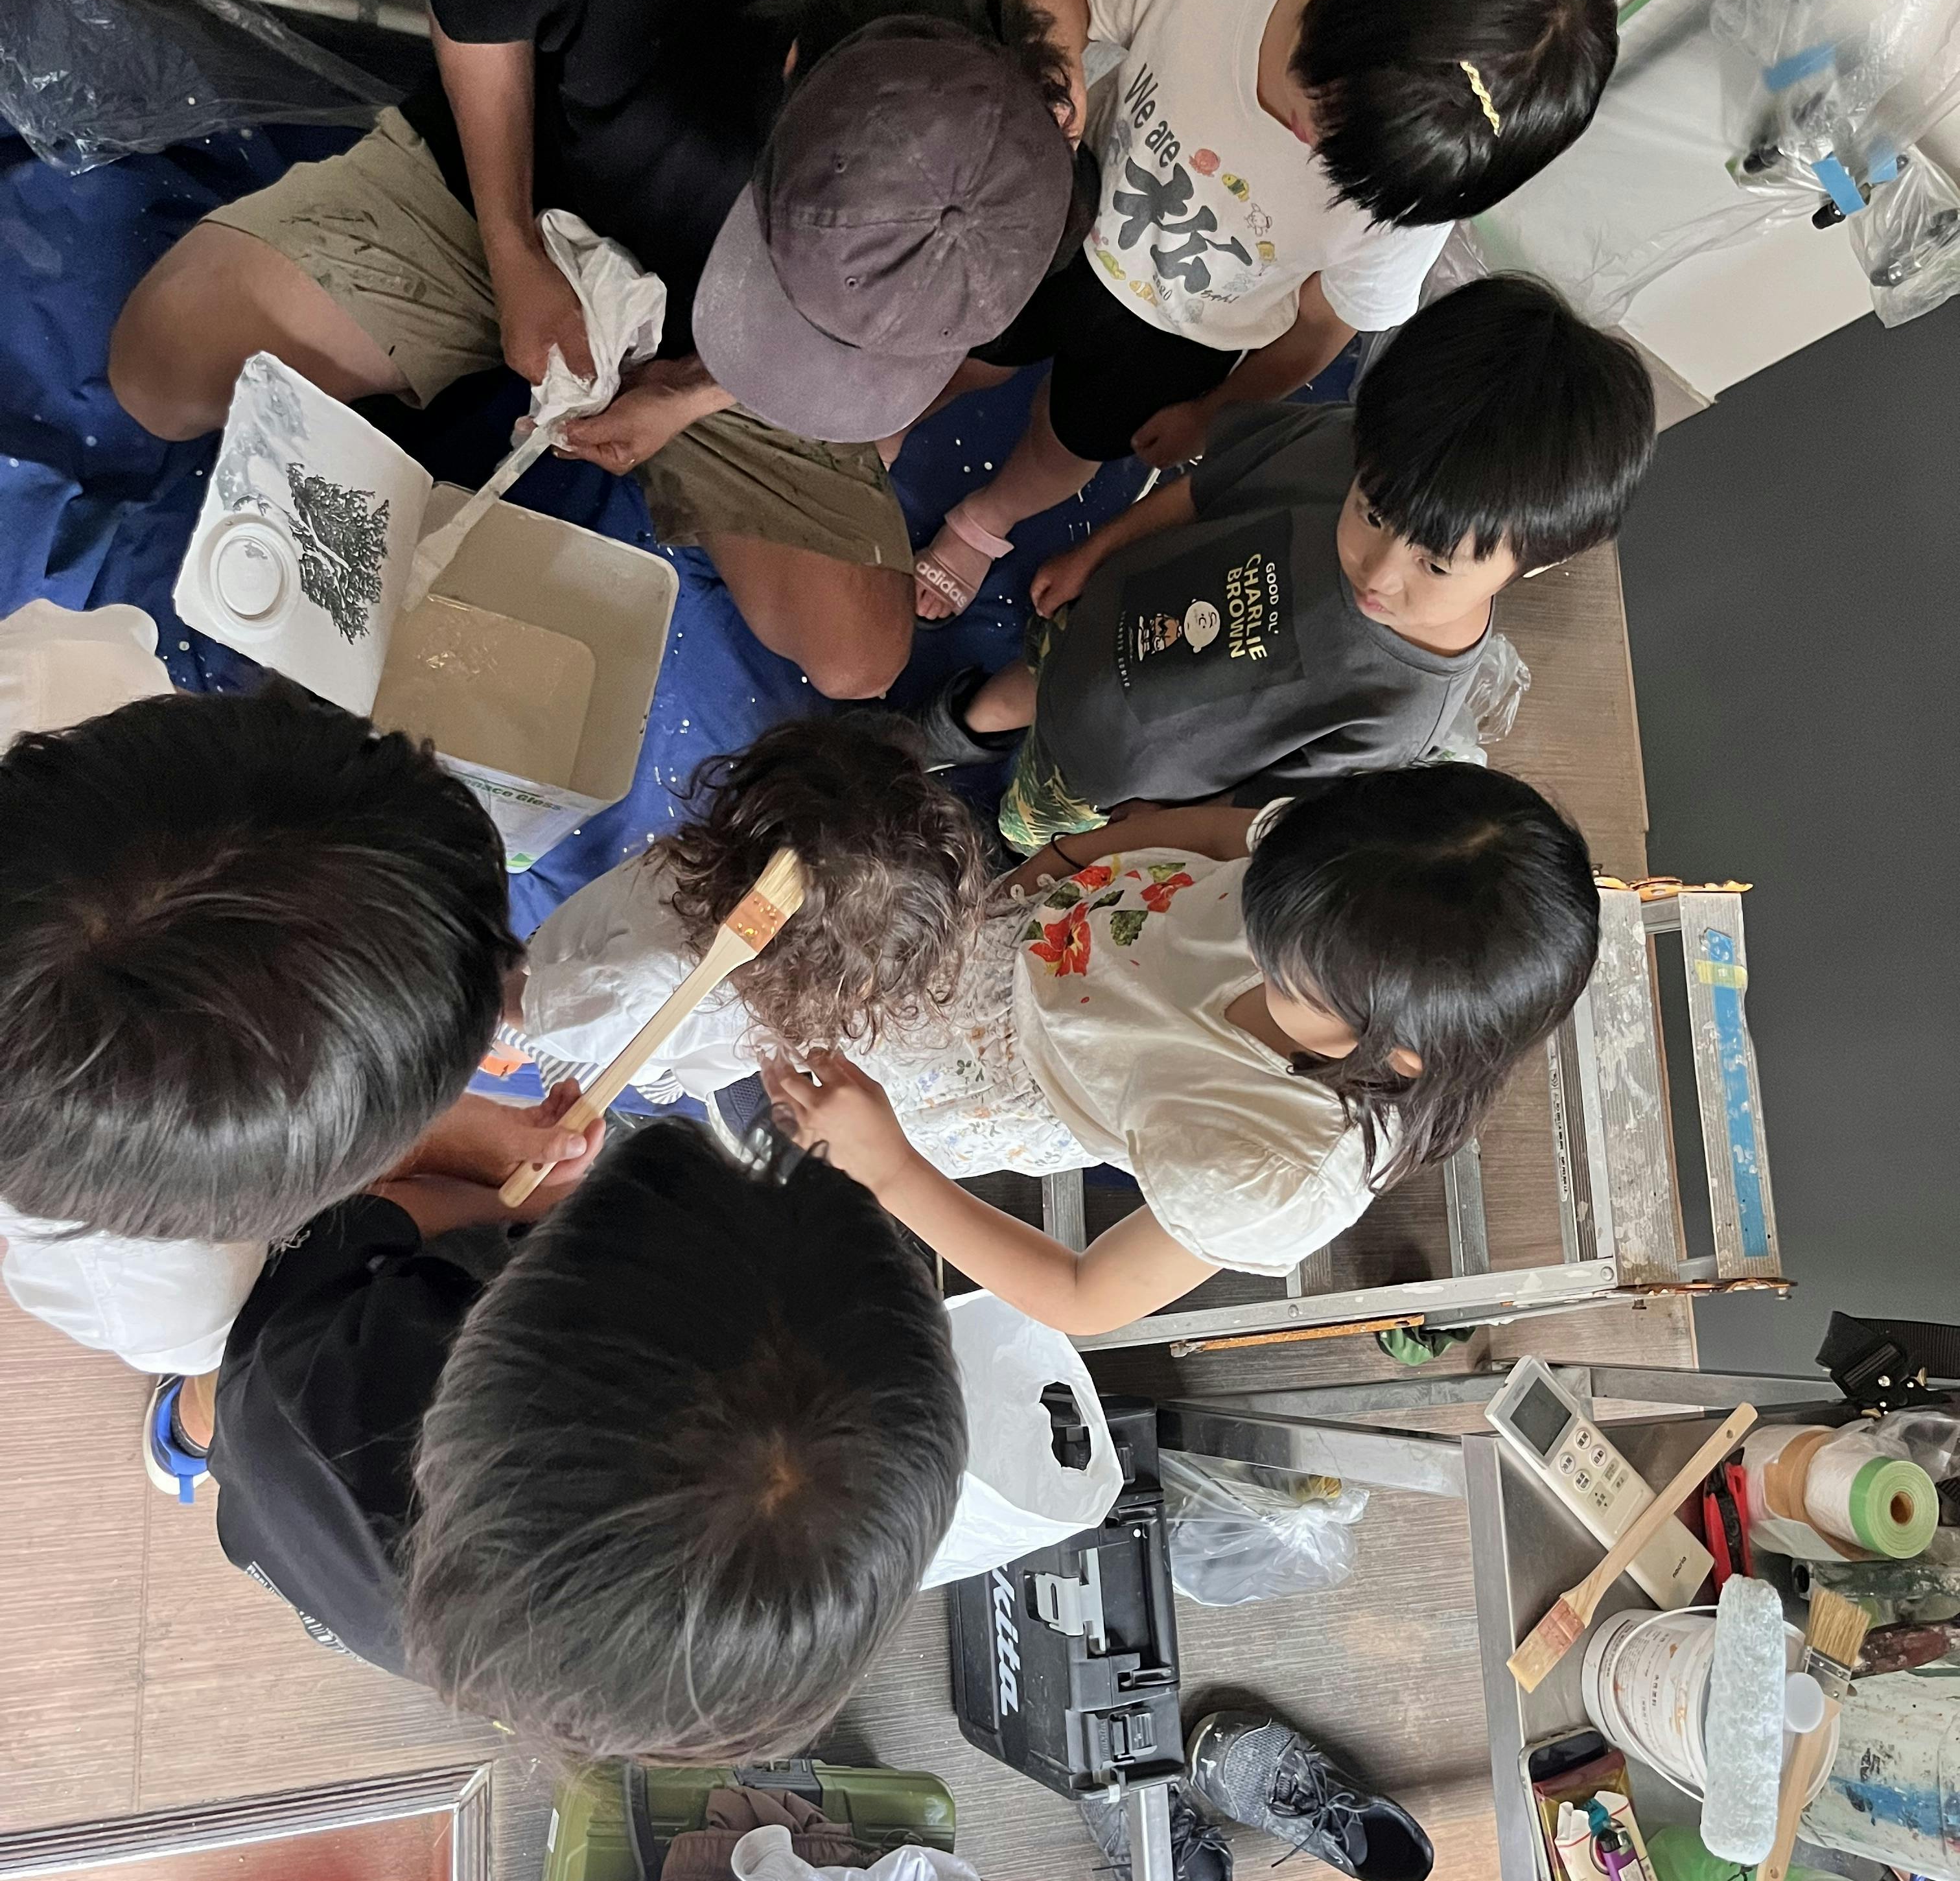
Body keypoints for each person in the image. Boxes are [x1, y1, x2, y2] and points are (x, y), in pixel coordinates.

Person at [108, 0, 1079, 699]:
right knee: (161, 373)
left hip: (724, 361)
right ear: (789, 72)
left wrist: (691, 394)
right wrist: (511, 251)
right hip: (516, 202)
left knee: (859, 659)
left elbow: (931, 364)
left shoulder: (1013, 203)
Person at [529, 764, 1601, 1337]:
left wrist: (890, 1168)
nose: (1253, 936)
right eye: (1261, 907)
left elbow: (1086, 1297)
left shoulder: (1276, 1170)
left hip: (991, 1080)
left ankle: (622, 1051)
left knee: (771, 1034)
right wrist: (1077, 854)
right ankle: (585, 1014)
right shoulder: (1355, 868)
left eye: (1284, 971)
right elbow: (1218, 832)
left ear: (1397, 1053)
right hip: (1030, 928)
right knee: (791, 951)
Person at [912, 0, 1620, 618]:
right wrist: (1059, 76)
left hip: (1183, 337)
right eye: (1324, 103)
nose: (1312, 142)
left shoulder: (1414, 200)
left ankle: (986, 520)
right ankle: (888, 425)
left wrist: (1215, 411)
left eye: (1353, 169)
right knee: (971, 350)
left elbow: (1322, 326)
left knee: (1070, 443)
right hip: (1065, 217)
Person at [207, 1119, 967, 1763]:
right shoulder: (637, 1679)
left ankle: (183, 1436)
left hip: (267, 1462)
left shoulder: (308, 1384)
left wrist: (507, 1196)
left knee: (213, 1384)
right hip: (385, 1620)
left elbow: (375, 1216)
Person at [0, 655, 589, 1487]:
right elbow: (274, 1298)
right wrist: (442, 1155)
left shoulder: (56, 673)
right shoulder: (164, 1294)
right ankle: (189, 1434)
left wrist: (443, 1139)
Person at [913, 275, 1655, 854]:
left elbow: (1264, 809)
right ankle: (947, 733)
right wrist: (1093, 553)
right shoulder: (1345, 447)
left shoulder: (1402, 710)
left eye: (1434, 566)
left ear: (1535, 564)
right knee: (1025, 684)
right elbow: (1205, 489)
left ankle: (1011, 831)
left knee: (1026, 821)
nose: (1378, 573)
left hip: (1108, 772)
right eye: (1371, 514)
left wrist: (1160, 825)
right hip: (1093, 622)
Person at [519, 713, 986, 1101]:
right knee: (644, 1069)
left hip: (606, 1027)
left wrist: (500, 998)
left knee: (611, 1062)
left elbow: (540, 1013)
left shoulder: (641, 982)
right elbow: (546, 1012)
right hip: (608, 1020)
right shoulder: (835, 993)